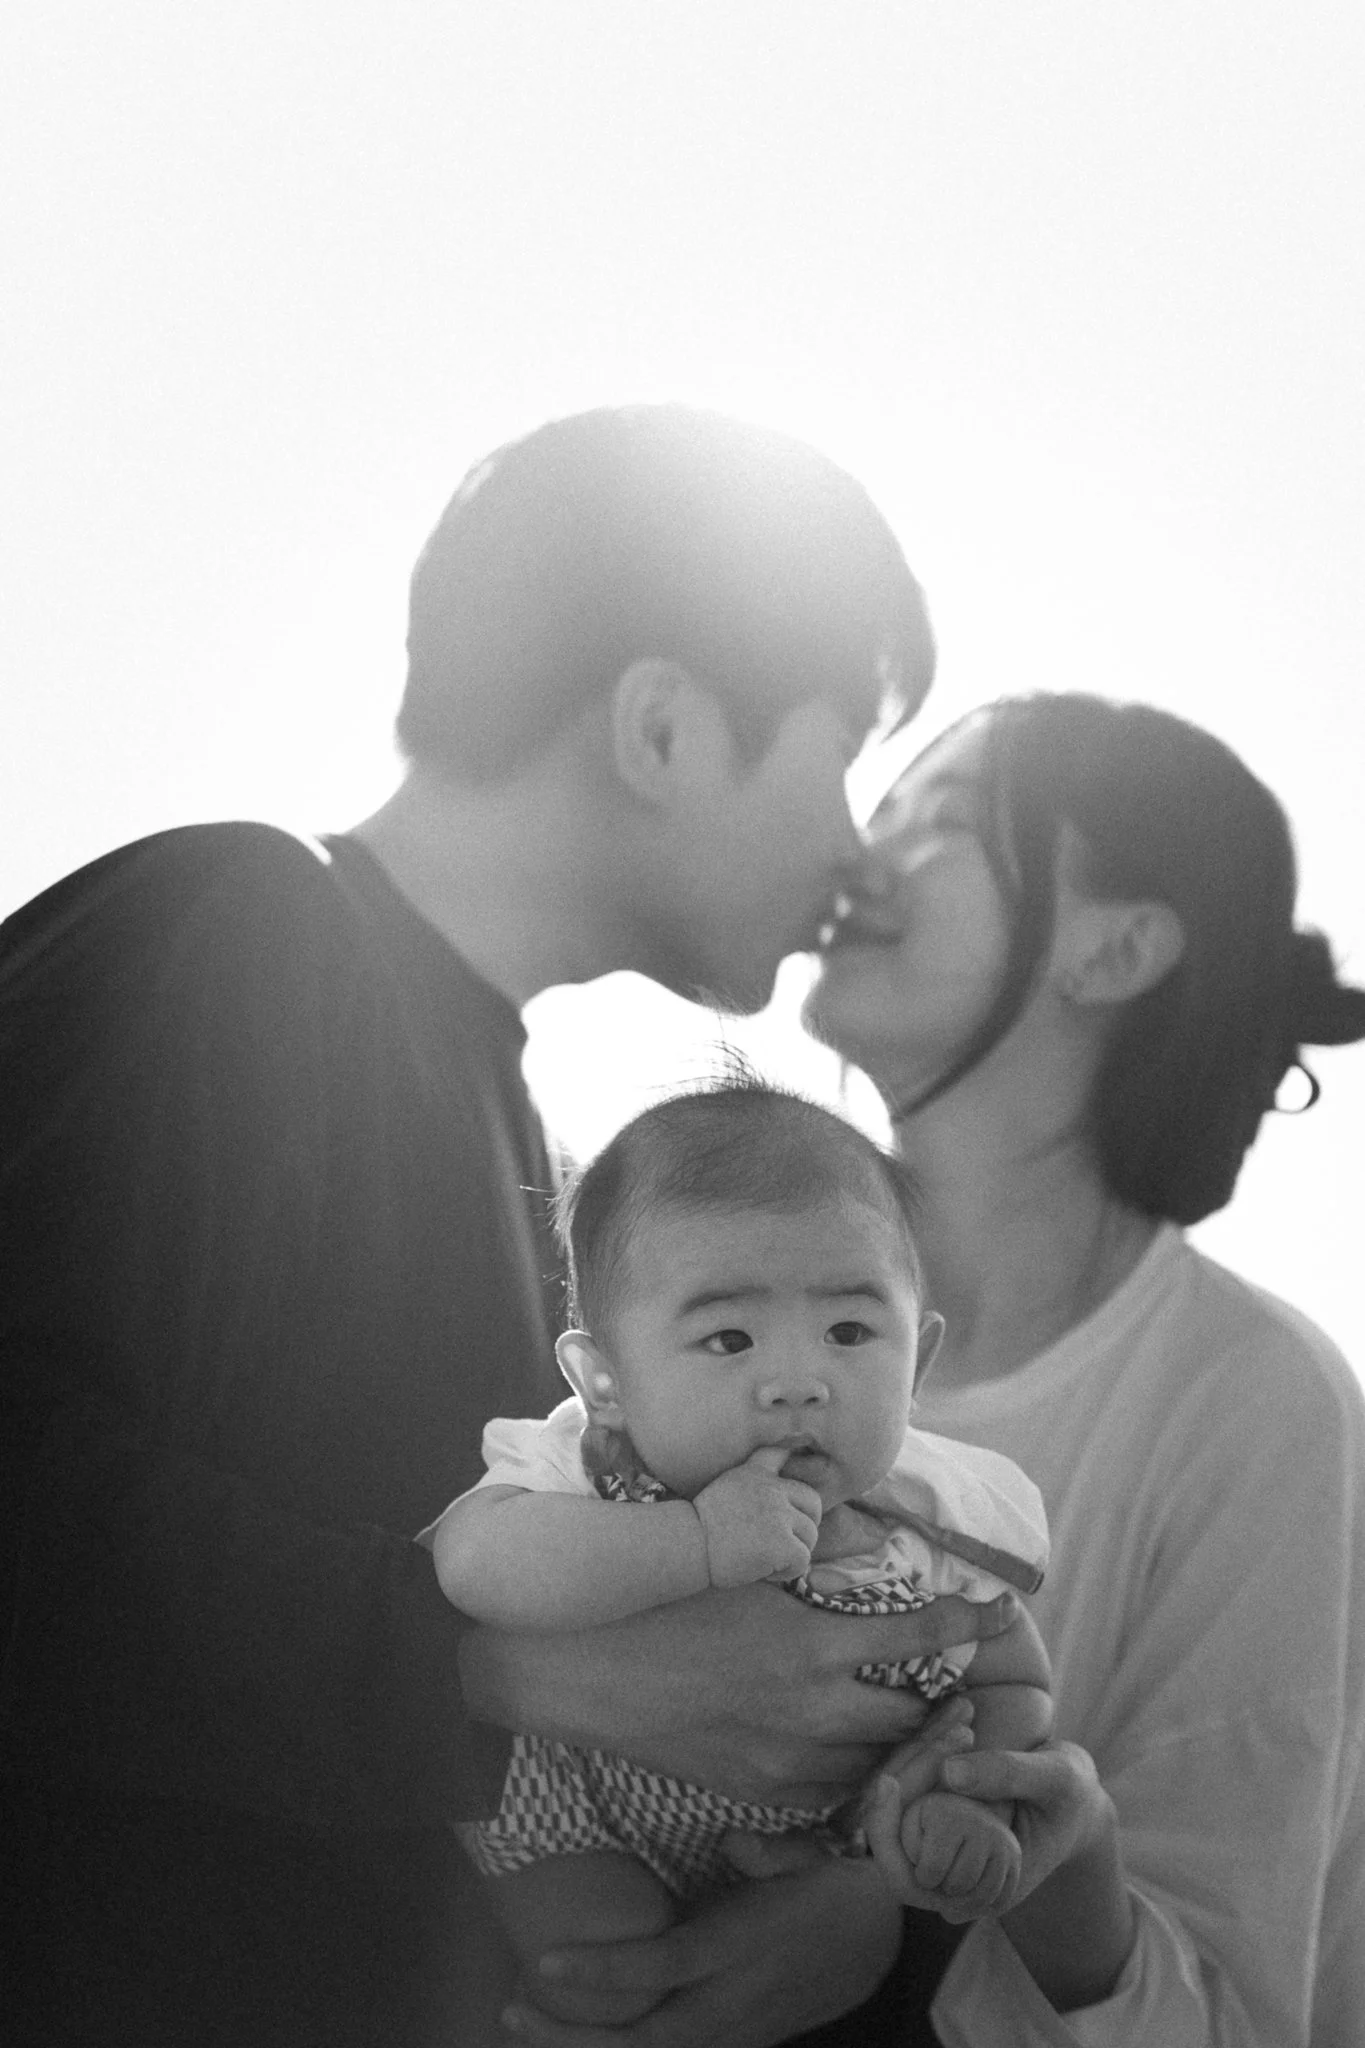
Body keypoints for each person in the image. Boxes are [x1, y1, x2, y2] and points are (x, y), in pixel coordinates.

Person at [0, 404, 1021, 2048]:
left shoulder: (539, 1158)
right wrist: (495, 1672)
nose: (852, 844)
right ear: (664, 727)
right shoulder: (229, 935)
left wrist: (842, 1908)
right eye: (840, 750)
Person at [792, 691, 1365, 2044]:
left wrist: (957, 1908)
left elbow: (1225, 2014)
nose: (859, 866)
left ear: (1113, 949)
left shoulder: (1256, 1407)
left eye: (937, 823)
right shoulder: (719, 1305)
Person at [426, 1078, 1053, 2026]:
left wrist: (961, 1797)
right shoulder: (585, 1464)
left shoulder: (935, 1522)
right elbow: (471, 1562)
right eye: (728, 1338)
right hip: (587, 1817)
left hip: (809, 1854)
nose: (797, 1384)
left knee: (841, 1948)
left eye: (848, 1331)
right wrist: (698, 1540)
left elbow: (1013, 1676)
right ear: (604, 1381)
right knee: (599, 1962)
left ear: (916, 1363)